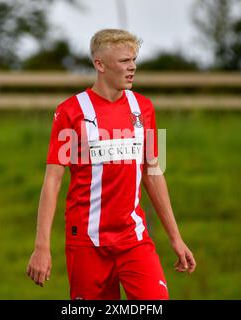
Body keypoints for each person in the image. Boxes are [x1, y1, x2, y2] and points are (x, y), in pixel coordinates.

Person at [26, 29, 196, 300]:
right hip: (86, 244)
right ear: (100, 64)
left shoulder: (145, 108)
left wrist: (176, 238)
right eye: (124, 61)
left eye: (134, 60)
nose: (133, 68)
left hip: (134, 240)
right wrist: (42, 246)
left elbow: (154, 173)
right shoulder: (69, 111)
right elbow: (52, 181)